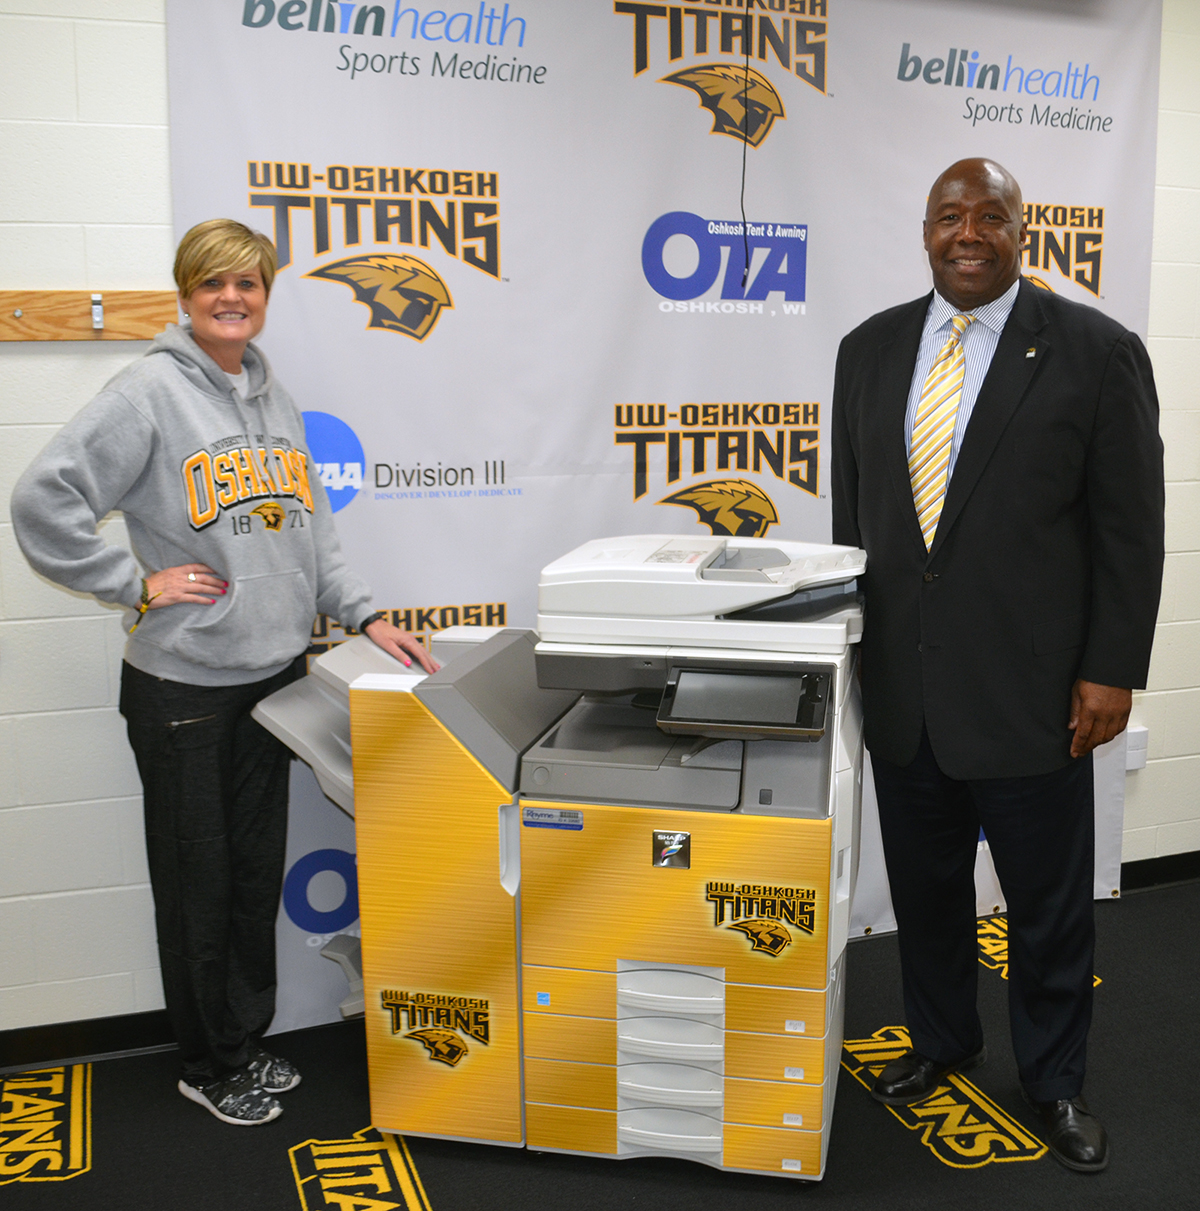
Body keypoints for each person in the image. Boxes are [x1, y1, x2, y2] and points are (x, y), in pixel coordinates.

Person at [11, 219, 437, 1127]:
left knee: (249, 877)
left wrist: (367, 612)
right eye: (214, 284)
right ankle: (205, 1063)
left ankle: (242, 1040)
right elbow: (42, 497)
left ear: (266, 295)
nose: (232, 298)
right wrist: (134, 583)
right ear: (186, 293)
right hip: (183, 694)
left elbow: (313, 533)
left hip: (270, 681)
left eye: (249, 284)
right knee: (196, 882)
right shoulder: (148, 395)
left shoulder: (272, 398)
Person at [831, 159, 1163, 1173]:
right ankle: (942, 1041)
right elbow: (857, 526)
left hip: (1034, 696)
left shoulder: (1095, 353)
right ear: (926, 229)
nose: (967, 234)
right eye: (948, 216)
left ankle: (1055, 1079)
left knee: (1046, 905)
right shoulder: (868, 350)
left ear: (1025, 231)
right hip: (905, 693)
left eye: (991, 217)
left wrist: (1112, 669)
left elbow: (1129, 529)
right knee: (928, 893)